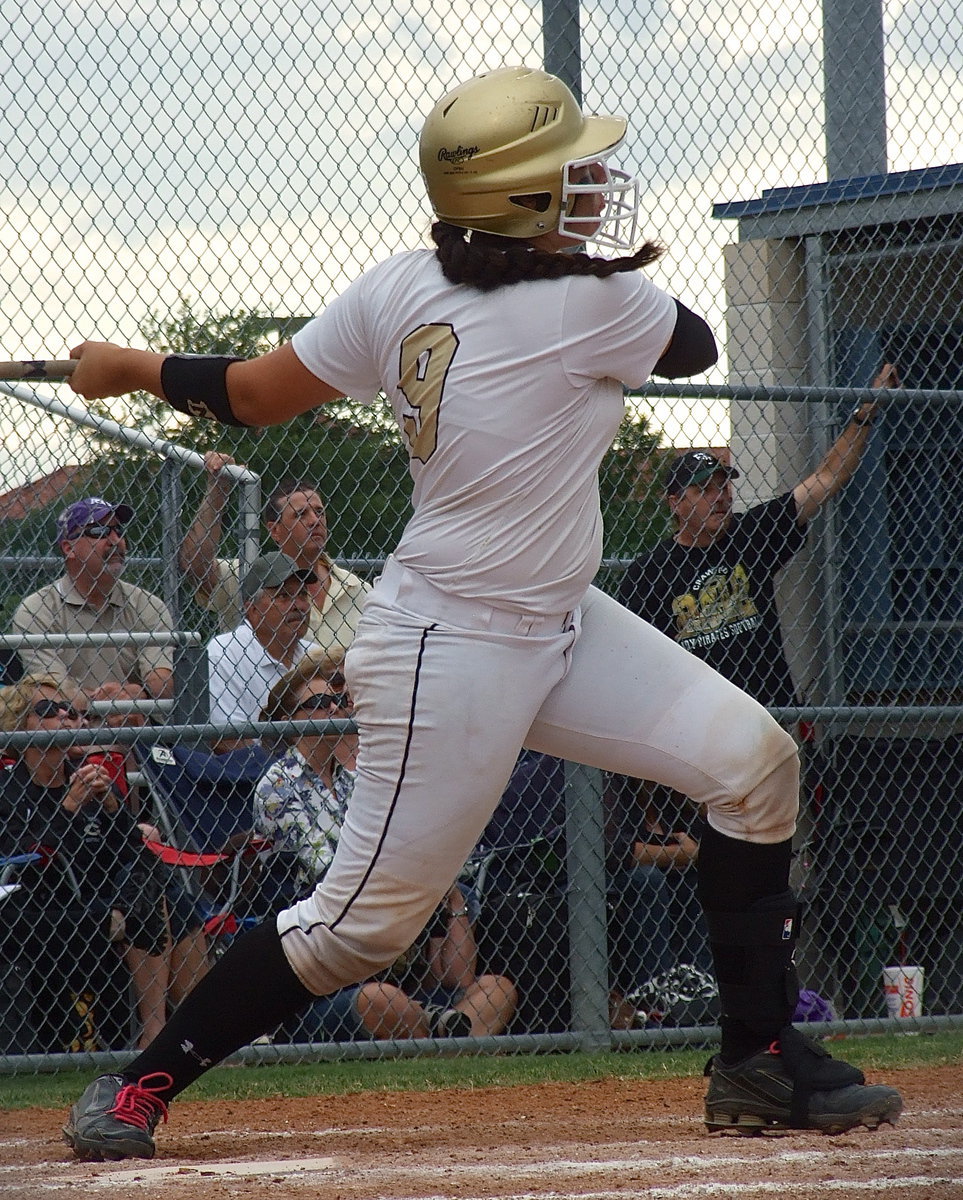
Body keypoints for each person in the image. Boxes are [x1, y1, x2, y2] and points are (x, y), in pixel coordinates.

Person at [61, 64, 901, 1158]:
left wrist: (131, 365)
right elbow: (688, 339)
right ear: (515, 198)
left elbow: (256, 393)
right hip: (446, 649)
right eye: (568, 174)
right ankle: (139, 1085)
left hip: (560, 619)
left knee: (754, 764)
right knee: (364, 927)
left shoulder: (404, 287)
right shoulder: (596, 302)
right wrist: (581, 265)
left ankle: (757, 1059)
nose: (595, 184)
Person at [256, 652, 516, 1042]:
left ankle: (435, 1032)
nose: (332, 709)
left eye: (336, 702)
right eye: (316, 704)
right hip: (330, 962)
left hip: (392, 937)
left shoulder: (353, 782)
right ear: (289, 721)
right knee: (379, 1000)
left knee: (498, 989)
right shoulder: (277, 786)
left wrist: (433, 880)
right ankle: (442, 1035)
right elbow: (325, 871)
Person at [617, 363, 899, 708]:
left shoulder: (751, 534)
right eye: (704, 489)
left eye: (723, 486)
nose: (719, 497)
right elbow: (633, 663)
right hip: (697, 721)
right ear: (676, 503)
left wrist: (864, 413)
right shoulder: (649, 573)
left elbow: (826, 479)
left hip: (768, 711)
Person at [0, 674, 202, 1050]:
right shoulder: (9, 788)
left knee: (174, 899)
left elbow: (134, 857)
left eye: (76, 713)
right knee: (145, 903)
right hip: (38, 910)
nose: (67, 719)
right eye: (49, 711)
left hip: (107, 902)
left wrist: (113, 810)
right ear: (19, 724)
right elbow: (20, 864)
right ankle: (166, 1033)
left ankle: (190, 1033)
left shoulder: (89, 779)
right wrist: (69, 808)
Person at [179, 453, 370, 656]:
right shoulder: (249, 575)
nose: (315, 520)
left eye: (319, 511)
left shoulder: (357, 589)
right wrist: (218, 490)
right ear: (275, 530)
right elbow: (195, 564)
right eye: (301, 514)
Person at [9, 497, 175, 710]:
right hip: (72, 727)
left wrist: (137, 694)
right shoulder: (36, 609)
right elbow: (55, 692)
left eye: (118, 530)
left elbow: (161, 682)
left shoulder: (148, 604)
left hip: (136, 723)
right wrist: (116, 701)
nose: (115, 540)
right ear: (69, 548)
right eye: (99, 532)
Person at [206, 552, 317, 753]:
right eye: (283, 596)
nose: (299, 606)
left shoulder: (315, 655)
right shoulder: (224, 653)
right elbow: (227, 740)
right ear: (252, 609)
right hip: (250, 777)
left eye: (302, 595)